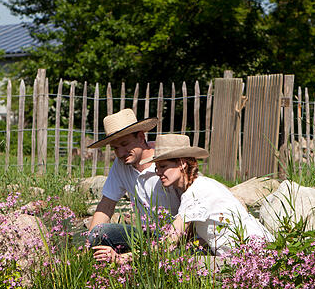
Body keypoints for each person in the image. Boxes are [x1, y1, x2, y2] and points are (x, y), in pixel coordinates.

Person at [93, 134, 272, 263]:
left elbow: (168, 243)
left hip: (250, 259)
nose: (158, 173)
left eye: (163, 166)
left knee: (183, 265)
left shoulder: (197, 192)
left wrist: (123, 259)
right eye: (156, 167)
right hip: (239, 255)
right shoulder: (195, 188)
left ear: (182, 164)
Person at [86, 108, 180, 253]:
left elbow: (190, 204)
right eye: (115, 148)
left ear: (141, 137)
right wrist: (90, 241)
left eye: (125, 144)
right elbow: (106, 204)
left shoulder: (166, 160)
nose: (120, 153)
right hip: (146, 235)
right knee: (100, 231)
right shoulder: (121, 164)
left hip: (178, 233)